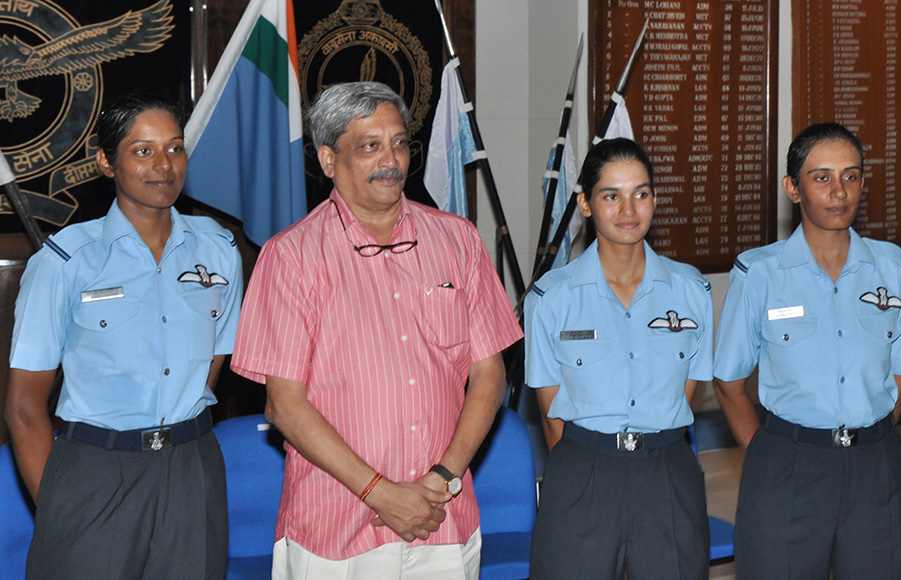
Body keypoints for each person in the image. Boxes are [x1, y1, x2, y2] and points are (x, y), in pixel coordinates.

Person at [230, 81, 522, 579]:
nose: (391, 159)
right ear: (328, 159)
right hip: (336, 528)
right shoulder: (290, 258)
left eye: (400, 142)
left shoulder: (459, 241)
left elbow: (489, 375)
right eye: (369, 146)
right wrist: (381, 495)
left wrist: (443, 478)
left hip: (441, 519)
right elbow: (283, 405)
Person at [5, 93, 243, 579]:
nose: (164, 165)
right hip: (95, 470)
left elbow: (213, 362)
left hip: (191, 467)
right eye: (142, 151)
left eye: (175, 148)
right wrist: (59, 503)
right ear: (105, 162)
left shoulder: (219, 250)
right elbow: (24, 407)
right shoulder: (65, 261)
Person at [713, 122, 901, 579]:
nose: (839, 192)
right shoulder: (759, 274)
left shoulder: (893, 268)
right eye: (822, 177)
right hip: (788, 466)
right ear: (793, 188)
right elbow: (729, 383)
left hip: (877, 466)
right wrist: (771, 454)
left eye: (851, 176)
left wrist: (869, 438)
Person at [525, 138, 711, 580]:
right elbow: (552, 416)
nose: (629, 210)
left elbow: (685, 395)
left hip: (667, 473)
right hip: (583, 474)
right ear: (585, 204)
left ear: (654, 199)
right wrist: (592, 464)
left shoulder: (691, 291)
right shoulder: (551, 299)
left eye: (641, 193)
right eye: (612, 195)